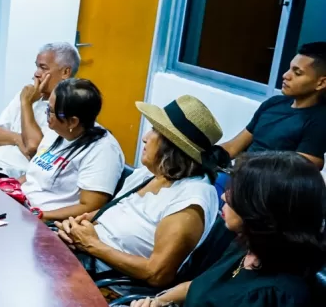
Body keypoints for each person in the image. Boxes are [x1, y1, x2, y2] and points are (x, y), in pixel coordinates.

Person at [117, 152, 326, 307]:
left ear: (262, 211)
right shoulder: (250, 246)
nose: (225, 196)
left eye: (237, 194)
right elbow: (200, 285)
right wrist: (154, 303)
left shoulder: (276, 294)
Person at [58, 96, 228, 286]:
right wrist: (74, 226)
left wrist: (92, 245)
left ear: (172, 145)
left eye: (155, 130)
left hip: (105, 283)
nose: (145, 137)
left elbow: (157, 274)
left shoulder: (191, 199)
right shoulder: (149, 175)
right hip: (82, 257)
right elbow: (111, 214)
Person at [0, 42, 80, 177]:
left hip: (13, 175)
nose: (36, 73)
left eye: (43, 68)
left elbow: (34, 148)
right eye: (37, 66)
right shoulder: (26, 94)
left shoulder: (65, 107)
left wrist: (26, 104)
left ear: (65, 72)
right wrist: (18, 139)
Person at [18, 78, 124, 221]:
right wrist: (5, 188)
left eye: (51, 111)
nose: (47, 114)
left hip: (46, 222)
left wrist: (38, 215)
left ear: (73, 121)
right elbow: (33, 175)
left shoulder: (104, 151)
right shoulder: (58, 131)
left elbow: (89, 207)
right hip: (22, 207)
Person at [221, 42, 326, 169]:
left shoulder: (319, 121)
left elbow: (303, 169)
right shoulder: (274, 103)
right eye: (289, 69)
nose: (285, 75)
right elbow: (233, 147)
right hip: (236, 175)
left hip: (263, 185)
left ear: (321, 83)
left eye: (297, 73)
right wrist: (202, 156)